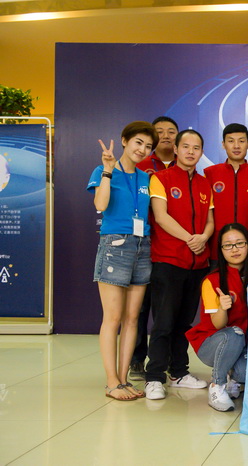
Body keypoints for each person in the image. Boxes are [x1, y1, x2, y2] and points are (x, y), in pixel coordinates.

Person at [87, 121, 158, 400]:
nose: (143, 150)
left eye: (148, 146)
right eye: (138, 142)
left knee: (132, 318)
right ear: (125, 141)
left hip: (143, 246)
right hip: (115, 245)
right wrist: (107, 169)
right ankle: (111, 382)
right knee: (113, 317)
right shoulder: (103, 171)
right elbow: (100, 205)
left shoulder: (146, 178)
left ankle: (124, 379)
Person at [145, 129, 214, 400]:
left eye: (196, 148)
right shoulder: (160, 179)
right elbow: (161, 217)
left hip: (197, 264)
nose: (190, 152)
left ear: (201, 152)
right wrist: (190, 239)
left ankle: (179, 372)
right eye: (185, 146)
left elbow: (210, 220)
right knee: (164, 322)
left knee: (184, 323)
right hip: (168, 260)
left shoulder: (205, 184)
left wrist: (204, 238)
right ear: (175, 149)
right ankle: (154, 376)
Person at [186, 223, 248, 411]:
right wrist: (222, 308)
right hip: (214, 343)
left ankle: (234, 379)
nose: (235, 249)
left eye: (240, 243)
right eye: (228, 245)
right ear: (221, 250)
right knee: (235, 333)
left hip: (244, 346)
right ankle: (217, 385)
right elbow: (218, 324)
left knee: (245, 372)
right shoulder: (212, 280)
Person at [130, 116, 179, 381]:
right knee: (139, 306)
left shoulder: (186, 165)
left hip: (172, 247)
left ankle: (165, 359)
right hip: (143, 243)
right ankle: (137, 359)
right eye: (160, 132)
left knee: (166, 309)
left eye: (171, 131)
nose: (166, 136)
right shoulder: (141, 165)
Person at [204, 123, 248, 265]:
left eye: (241, 141)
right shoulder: (210, 173)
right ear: (223, 144)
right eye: (231, 141)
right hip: (217, 246)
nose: (236, 146)